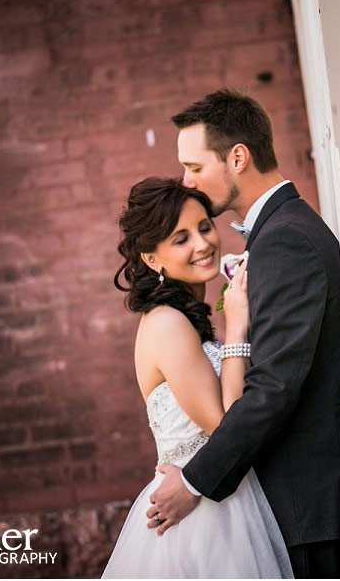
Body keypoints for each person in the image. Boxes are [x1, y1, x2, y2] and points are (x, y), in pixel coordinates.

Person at [146, 89, 340, 578]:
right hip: (295, 503)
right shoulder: (280, 230)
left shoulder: (284, 239)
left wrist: (196, 482)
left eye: (195, 167)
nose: (188, 180)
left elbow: (273, 388)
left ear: (238, 157)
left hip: (308, 504)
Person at [102, 177, 293, 578]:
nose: (203, 244)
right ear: (152, 258)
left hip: (225, 497)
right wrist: (237, 325)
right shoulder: (167, 324)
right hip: (201, 516)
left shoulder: (187, 317)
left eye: (204, 227)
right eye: (180, 238)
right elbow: (224, 424)